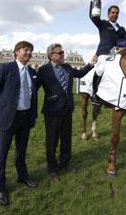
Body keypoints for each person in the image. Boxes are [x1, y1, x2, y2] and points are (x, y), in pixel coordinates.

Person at [0, 41, 38, 206]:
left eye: (30, 51)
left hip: (25, 118)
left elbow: (32, 94)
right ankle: (0, 187)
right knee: (1, 154)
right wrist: (0, 109)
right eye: (26, 50)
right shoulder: (5, 68)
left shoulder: (31, 71)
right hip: (8, 117)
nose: (29, 53)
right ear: (16, 52)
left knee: (21, 151)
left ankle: (22, 176)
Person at [37, 43, 96, 181]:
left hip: (67, 110)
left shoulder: (67, 67)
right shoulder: (43, 70)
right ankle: (52, 169)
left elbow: (80, 73)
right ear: (51, 56)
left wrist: (91, 64)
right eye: (60, 52)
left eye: (63, 52)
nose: (63, 54)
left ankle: (65, 163)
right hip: (52, 112)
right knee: (51, 142)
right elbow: (34, 88)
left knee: (66, 140)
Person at [89, 0, 126, 104]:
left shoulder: (121, 29)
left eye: (117, 13)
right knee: (101, 66)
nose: (115, 14)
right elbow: (93, 17)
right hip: (103, 53)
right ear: (108, 14)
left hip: (116, 53)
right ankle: (95, 93)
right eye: (113, 12)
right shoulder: (103, 24)